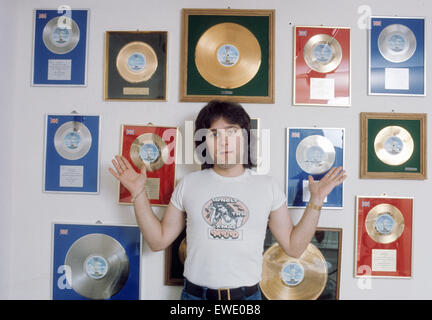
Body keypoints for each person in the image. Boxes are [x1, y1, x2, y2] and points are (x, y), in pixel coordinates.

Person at [109, 100, 347, 300]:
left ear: (245, 138)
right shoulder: (189, 184)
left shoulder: (267, 186)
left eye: (231, 131)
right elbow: (157, 241)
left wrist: (316, 200)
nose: (223, 141)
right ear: (204, 142)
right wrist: (139, 194)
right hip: (195, 297)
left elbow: (294, 248)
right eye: (214, 134)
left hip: (246, 298)